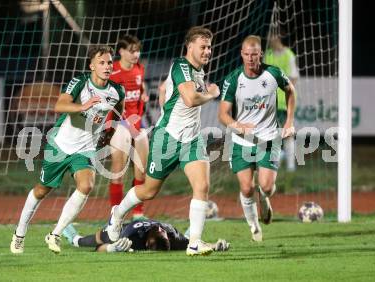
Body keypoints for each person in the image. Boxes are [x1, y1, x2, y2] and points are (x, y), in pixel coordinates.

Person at [106, 26, 221, 256]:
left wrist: (164, 98)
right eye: (203, 47)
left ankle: (195, 243)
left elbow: (162, 88)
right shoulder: (181, 66)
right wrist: (211, 93)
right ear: (190, 47)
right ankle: (117, 214)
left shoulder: (197, 71)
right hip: (167, 138)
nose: (207, 51)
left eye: (209, 47)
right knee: (148, 190)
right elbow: (189, 99)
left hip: (191, 139)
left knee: (202, 186)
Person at [10, 45, 125, 254]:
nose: (107, 66)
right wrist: (82, 106)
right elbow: (60, 105)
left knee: (87, 185)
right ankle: (19, 232)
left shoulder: (117, 91)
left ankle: (55, 233)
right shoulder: (80, 82)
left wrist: (108, 135)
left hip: (86, 148)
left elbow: (118, 114)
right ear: (91, 66)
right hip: (61, 145)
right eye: (102, 62)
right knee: (42, 190)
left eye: (109, 62)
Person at [218, 35, 295, 242]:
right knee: (245, 187)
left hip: (268, 138)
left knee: (267, 187)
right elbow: (223, 113)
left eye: (254, 54)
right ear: (241, 54)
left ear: (261, 54)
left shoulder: (273, 73)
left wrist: (289, 122)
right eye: (247, 54)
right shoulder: (233, 79)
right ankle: (254, 226)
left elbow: (290, 91)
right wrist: (238, 126)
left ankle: (265, 197)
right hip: (242, 141)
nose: (251, 58)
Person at [107, 35, 149, 220]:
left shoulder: (140, 69)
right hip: (119, 124)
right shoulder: (112, 71)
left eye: (137, 50)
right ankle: (115, 214)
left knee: (141, 169)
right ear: (121, 51)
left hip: (137, 124)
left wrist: (144, 95)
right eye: (131, 50)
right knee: (118, 169)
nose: (136, 54)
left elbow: (141, 87)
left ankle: (137, 212)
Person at [62, 219, 229, 253]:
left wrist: (214, 245)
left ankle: (194, 224)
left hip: (147, 225)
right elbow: (99, 249)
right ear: (147, 243)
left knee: (187, 240)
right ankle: (75, 239)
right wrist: (112, 248)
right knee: (106, 238)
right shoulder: (132, 238)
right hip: (123, 228)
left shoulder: (173, 236)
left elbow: (193, 244)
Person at [264, 33, 299, 172]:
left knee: (287, 133)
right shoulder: (268, 55)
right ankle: (274, 163)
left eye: (272, 36)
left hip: (285, 101)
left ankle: (290, 166)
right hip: (270, 101)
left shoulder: (289, 55)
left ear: (278, 37)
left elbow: (294, 78)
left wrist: (285, 90)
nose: (269, 39)